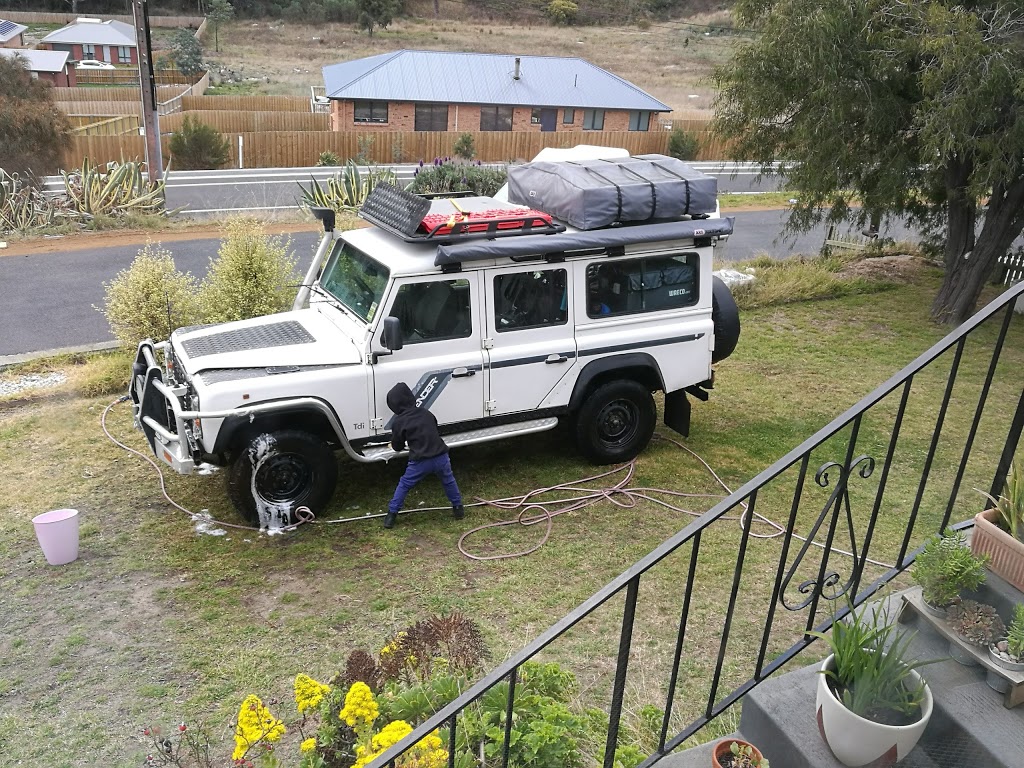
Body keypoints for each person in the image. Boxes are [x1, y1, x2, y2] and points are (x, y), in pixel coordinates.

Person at [383, 382, 464, 529]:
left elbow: (397, 446)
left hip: (420, 462)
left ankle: (391, 515)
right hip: (441, 456)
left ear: (394, 406)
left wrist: (395, 444)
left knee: (405, 484)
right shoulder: (426, 413)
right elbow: (434, 427)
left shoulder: (399, 422)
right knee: (448, 480)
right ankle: (458, 508)